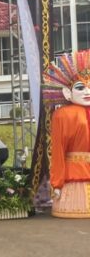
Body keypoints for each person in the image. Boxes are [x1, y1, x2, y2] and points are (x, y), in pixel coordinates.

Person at [45, 49, 90, 218]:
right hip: (74, 175)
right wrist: (57, 183)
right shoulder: (63, 115)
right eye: (81, 87)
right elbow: (58, 150)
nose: (87, 91)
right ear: (67, 93)